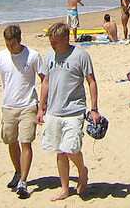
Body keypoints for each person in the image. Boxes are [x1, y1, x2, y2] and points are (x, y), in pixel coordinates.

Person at [0, 24, 44, 199]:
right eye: (7, 44)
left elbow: (44, 79)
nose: (10, 47)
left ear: (19, 40)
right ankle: (18, 171)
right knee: (11, 141)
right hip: (8, 107)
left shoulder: (33, 56)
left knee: (26, 142)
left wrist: (43, 105)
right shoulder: (0, 56)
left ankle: (23, 181)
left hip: (28, 105)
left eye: (12, 44)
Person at [39, 21, 100, 201]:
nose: (52, 44)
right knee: (60, 151)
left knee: (71, 149)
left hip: (74, 110)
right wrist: (41, 107)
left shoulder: (80, 55)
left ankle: (82, 171)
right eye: (50, 41)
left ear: (65, 39)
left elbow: (91, 81)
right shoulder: (49, 56)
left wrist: (94, 108)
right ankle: (65, 188)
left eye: (55, 41)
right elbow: (45, 82)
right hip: (53, 111)